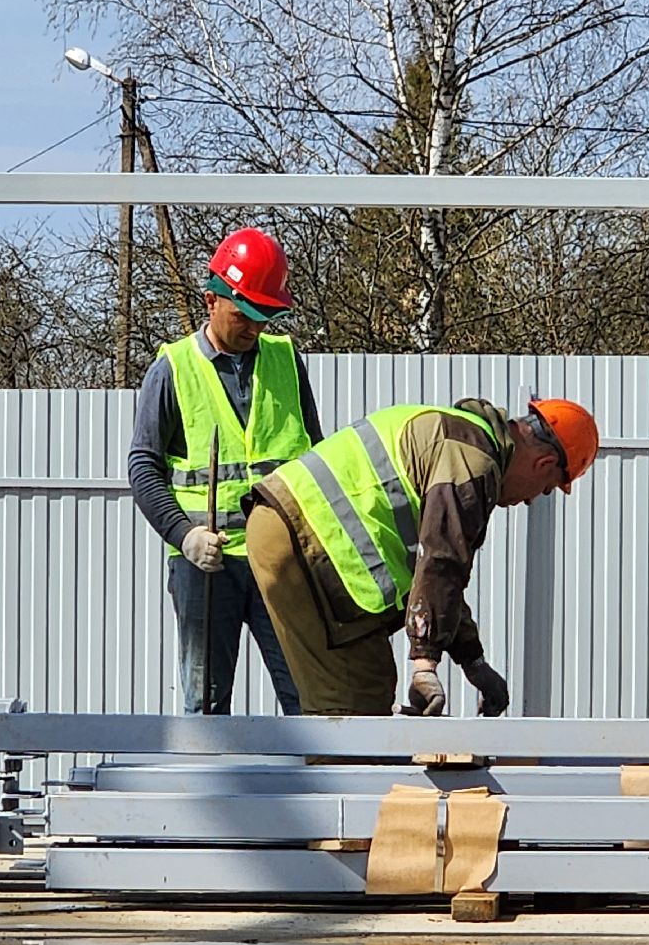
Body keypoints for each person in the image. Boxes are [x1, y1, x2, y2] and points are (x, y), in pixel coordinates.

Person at [243, 395, 599, 717]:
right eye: (548, 487)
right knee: (354, 702)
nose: (533, 499)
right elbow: (441, 561)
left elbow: (439, 578)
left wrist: (472, 660)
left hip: (291, 528)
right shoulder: (473, 459)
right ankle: (349, 783)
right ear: (544, 462)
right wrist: (425, 664)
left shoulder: (463, 438)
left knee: (362, 694)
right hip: (305, 537)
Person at [128, 227, 322, 715]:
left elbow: (315, 459)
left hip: (280, 563)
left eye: (266, 316)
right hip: (205, 568)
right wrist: (184, 534)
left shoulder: (286, 362)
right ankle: (208, 789)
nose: (255, 328)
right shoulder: (173, 369)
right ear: (210, 299)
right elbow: (143, 465)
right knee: (206, 706)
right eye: (244, 315)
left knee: (308, 699)